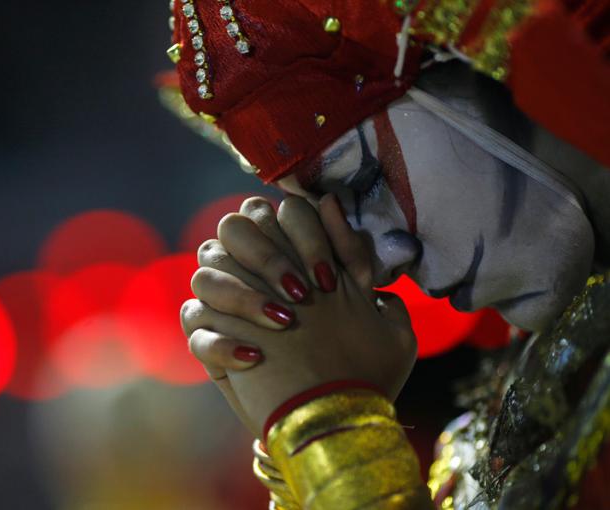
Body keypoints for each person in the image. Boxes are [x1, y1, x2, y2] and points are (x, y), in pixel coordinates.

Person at [159, 0, 610, 508]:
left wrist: (331, 429)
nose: (375, 265)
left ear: (476, 57)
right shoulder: (543, 379)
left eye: (367, 181)